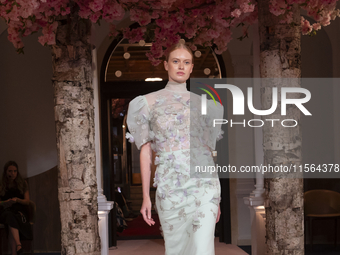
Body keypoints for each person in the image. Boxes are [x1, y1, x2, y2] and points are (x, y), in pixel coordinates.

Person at [126, 42, 224, 255]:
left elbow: (209, 152)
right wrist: (146, 196)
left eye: (186, 62)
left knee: (202, 248)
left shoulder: (208, 106)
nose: (181, 66)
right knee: (177, 249)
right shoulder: (147, 103)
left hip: (204, 186)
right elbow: (145, 151)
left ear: (191, 68)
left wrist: (218, 197)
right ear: (166, 65)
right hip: (170, 186)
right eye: (176, 61)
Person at [0, 161, 32, 255]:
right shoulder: (1, 184)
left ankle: (16, 250)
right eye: (10, 171)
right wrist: (5, 202)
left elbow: (27, 201)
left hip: (19, 210)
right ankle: (18, 245)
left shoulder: (22, 183)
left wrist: (17, 200)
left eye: (15, 171)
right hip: (5, 210)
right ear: (5, 172)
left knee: (11, 220)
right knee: (9, 216)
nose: (12, 173)